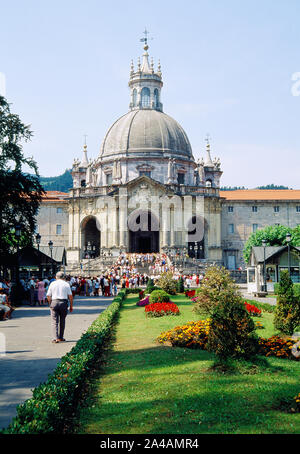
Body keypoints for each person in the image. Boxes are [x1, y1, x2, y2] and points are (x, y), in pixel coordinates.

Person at [46, 271, 73, 344]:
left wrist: (50, 303)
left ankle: (55, 338)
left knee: (54, 321)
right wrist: (71, 306)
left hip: (54, 302)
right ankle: (61, 337)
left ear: (56, 277)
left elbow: (48, 295)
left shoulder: (52, 283)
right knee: (62, 320)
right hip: (63, 303)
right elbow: (70, 296)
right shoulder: (66, 284)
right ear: (64, 277)